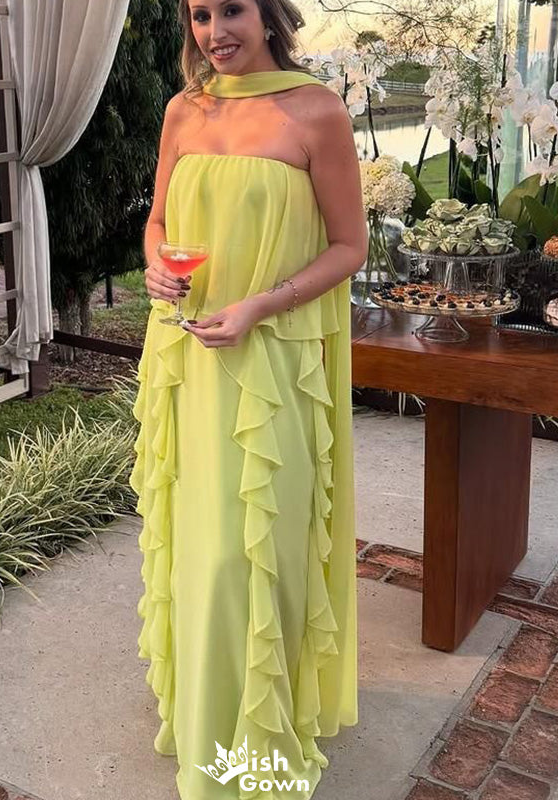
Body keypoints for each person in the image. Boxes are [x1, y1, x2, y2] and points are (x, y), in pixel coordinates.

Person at [128, 0, 368, 795]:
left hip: (272, 366)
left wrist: (261, 305)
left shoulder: (316, 111)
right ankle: (204, 715)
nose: (214, 31)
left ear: (268, 16)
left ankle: (254, 746)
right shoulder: (184, 110)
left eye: (231, 9)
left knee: (255, 552)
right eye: (199, 15)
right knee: (201, 548)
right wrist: (158, 265)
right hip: (187, 357)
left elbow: (349, 246)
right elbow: (158, 220)